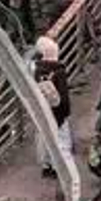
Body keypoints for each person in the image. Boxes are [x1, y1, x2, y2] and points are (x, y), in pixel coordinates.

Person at [34, 36, 73, 179]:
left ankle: (46, 166)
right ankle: (59, 168)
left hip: (43, 112)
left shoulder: (37, 71)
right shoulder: (59, 71)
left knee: (43, 138)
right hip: (58, 113)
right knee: (62, 140)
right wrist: (66, 112)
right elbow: (64, 97)